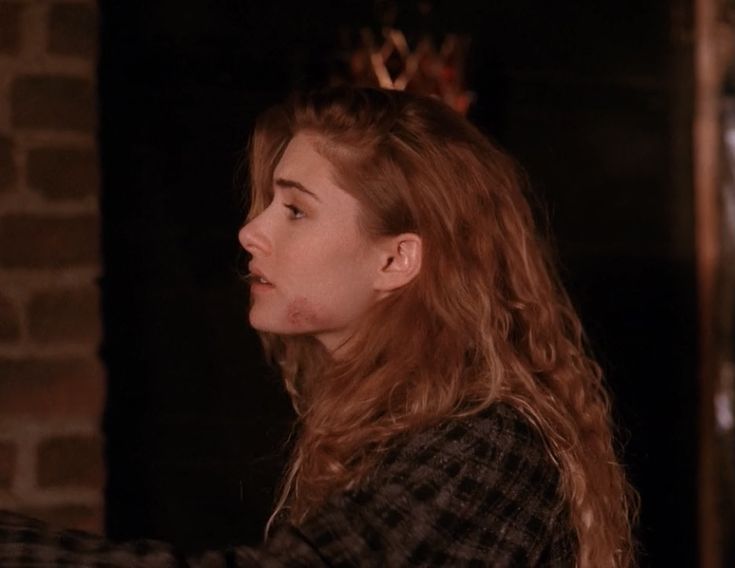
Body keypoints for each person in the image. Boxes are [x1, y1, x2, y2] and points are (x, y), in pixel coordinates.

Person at [0, 86, 637, 567]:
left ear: (396, 258)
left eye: (296, 210)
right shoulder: (393, 417)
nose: (251, 231)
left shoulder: (488, 442)